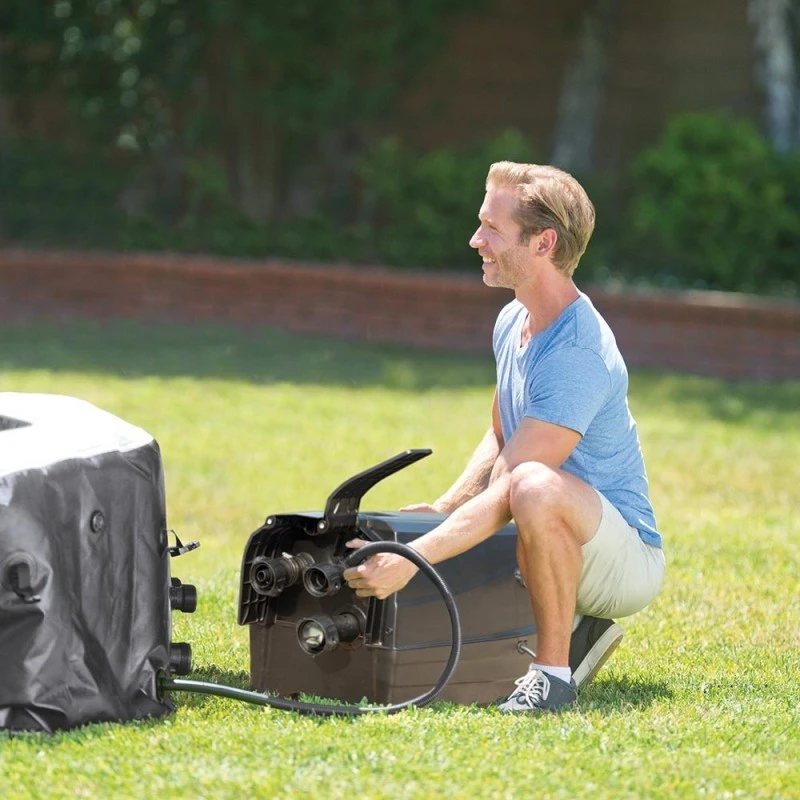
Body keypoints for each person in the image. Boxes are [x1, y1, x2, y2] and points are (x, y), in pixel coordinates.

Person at [343, 162, 665, 713]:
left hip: (624, 560)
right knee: (518, 494)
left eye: (492, 228)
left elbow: (514, 487)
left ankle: (552, 677)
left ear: (544, 243)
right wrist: (444, 509)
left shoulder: (577, 352)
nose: (476, 240)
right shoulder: (514, 319)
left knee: (533, 486)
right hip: (550, 525)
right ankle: (577, 630)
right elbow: (500, 434)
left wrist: (413, 556)